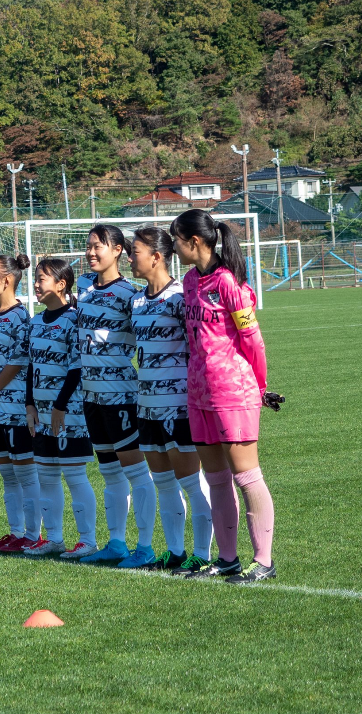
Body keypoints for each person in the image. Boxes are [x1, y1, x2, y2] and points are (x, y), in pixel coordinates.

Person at [171, 209, 276, 583]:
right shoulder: (188, 281)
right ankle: (227, 559)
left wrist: (260, 387)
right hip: (198, 394)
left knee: (246, 476)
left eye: (176, 240)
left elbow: (253, 340)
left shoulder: (229, 283)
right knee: (216, 479)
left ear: (194, 241)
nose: (174, 248)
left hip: (233, 393)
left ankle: (263, 561)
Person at [129, 227, 211, 573]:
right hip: (147, 407)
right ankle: (175, 552)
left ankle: (203, 555)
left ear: (156, 257)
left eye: (135, 252)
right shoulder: (136, 301)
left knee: (192, 482)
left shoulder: (179, 297)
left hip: (178, 406)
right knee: (163, 483)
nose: (130, 258)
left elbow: (198, 348)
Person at [74, 225, 154, 565]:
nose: (91, 252)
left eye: (98, 246)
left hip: (120, 396)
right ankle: (117, 543)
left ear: (118, 250)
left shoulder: (129, 295)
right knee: (109, 473)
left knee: (136, 472)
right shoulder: (83, 287)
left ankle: (145, 548)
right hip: (91, 397)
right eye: (89, 246)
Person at [24, 258, 98, 560]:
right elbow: (31, 366)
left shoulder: (73, 319)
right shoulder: (34, 322)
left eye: (42, 279)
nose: (36, 284)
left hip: (69, 413)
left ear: (61, 284)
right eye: (36, 278)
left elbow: (76, 368)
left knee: (74, 475)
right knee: (46, 476)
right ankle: (53, 538)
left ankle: (87, 540)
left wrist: (60, 405)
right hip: (40, 414)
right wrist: (30, 404)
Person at [0, 254, 39, 553]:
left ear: (6, 280)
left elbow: (18, 361)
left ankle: (33, 534)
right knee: (7, 475)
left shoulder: (20, 318)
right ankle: (15, 532)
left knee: (25, 473)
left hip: (14, 409)